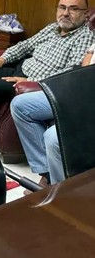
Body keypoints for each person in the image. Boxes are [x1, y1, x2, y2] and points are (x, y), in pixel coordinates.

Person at [0, 0, 94, 114]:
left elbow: (70, 73)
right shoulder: (52, 28)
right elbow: (26, 45)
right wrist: (2, 59)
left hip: (35, 82)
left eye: (73, 9)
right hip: (20, 69)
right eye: (62, 7)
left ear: (86, 14)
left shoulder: (85, 36)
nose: (65, 13)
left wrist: (31, 81)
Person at [11, 42, 95, 185]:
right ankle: (47, 174)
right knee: (20, 105)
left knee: (53, 137)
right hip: (80, 91)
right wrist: (84, 79)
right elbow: (89, 56)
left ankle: (62, 193)